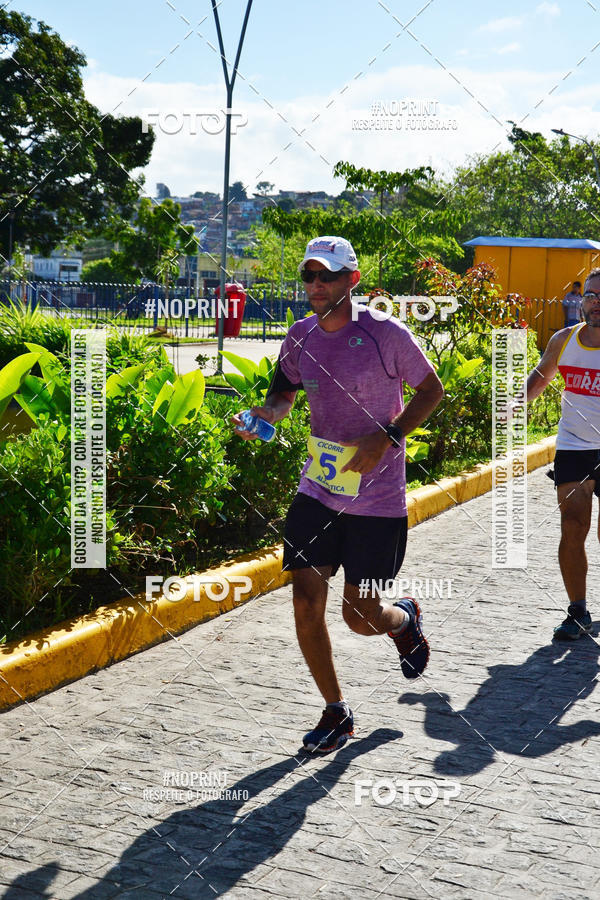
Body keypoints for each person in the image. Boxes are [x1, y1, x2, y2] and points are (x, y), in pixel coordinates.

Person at [233, 236, 444, 753]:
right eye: (309, 275)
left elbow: (431, 390)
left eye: (326, 275)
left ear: (352, 279)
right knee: (305, 599)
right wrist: (267, 416)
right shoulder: (300, 335)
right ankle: (336, 711)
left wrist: (387, 436)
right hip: (319, 489)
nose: (316, 284)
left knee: (360, 617)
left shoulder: (385, 333)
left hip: (377, 500)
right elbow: (284, 391)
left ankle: (403, 619)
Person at [525, 267, 600, 641]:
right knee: (572, 525)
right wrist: (517, 403)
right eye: (591, 295)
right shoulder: (564, 340)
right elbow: (542, 376)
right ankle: (577, 611)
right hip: (574, 446)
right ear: (582, 301)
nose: (596, 302)